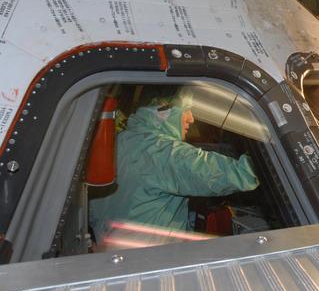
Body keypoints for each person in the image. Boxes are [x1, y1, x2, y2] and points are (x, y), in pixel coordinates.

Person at [90, 94, 260, 242]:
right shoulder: (162, 152)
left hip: (111, 250)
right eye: (185, 109)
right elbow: (232, 174)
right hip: (153, 257)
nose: (191, 118)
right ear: (163, 111)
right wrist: (261, 156)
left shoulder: (120, 141)